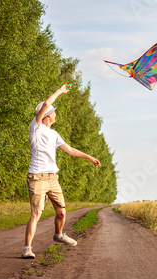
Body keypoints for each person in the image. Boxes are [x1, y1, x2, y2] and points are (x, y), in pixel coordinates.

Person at [22, 84, 101, 259]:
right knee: (36, 213)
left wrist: (89, 157)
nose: (55, 114)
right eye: (54, 112)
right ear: (48, 115)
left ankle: (58, 235)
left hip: (52, 178)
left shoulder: (54, 134)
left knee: (61, 212)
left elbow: (70, 150)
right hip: (37, 178)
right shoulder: (35, 128)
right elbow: (45, 105)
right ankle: (27, 248)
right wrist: (60, 91)